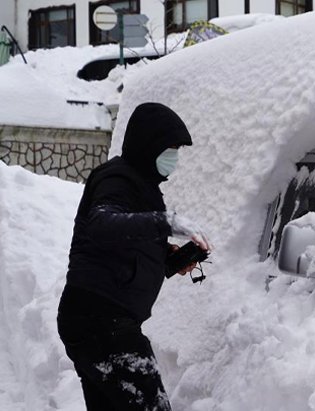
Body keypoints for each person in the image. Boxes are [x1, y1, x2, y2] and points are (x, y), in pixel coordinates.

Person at [57, 102, 209, 411]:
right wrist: (166, 222)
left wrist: (170, 261)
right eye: (170, 148)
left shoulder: (141, 185)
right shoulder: (117, 179)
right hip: (100, 321)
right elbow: (101, 224)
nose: (174, 157)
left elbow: (126, 251)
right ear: (150, 144)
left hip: (96, 321)